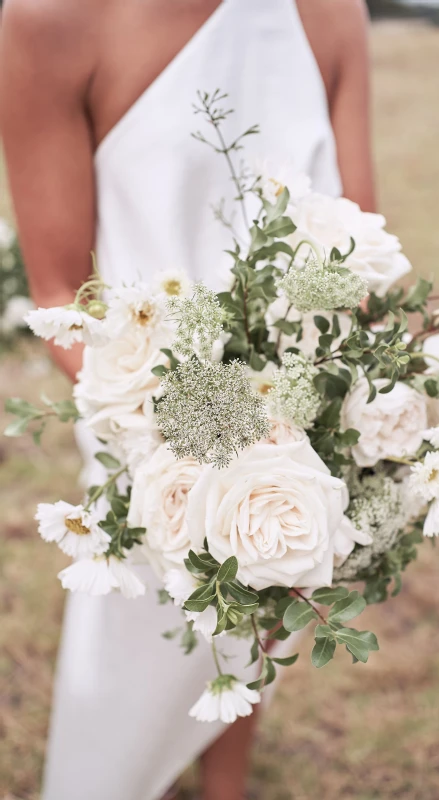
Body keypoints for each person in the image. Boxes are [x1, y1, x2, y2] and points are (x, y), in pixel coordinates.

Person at [0, 1, 375, 798]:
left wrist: (346, 395)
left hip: (299, 394)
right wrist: (196, 427)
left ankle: (224, 783)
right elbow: (61, 288)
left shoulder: (330, 12)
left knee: (268, 575)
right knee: (137, 639)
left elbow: (358, 243)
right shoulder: (46, 20)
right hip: (141, 402)